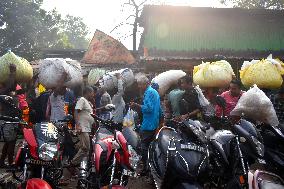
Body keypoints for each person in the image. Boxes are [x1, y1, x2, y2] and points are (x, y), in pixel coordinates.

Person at [130, 75, 161, 175]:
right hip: (154, 123)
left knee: (144, 146)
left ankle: (145, 167)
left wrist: (136, 105)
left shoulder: (148, 92)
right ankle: (150, 167)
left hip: (148, 124)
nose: (139, 86)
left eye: (140, 84)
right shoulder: (155, 92)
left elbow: (148, 108)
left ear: (145, 84)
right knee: (151, 146)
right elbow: (159, 109)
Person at [70, 86, 95, 166]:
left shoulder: (87, 102)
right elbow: (76, 111)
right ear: (87, 92)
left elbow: (89, 113)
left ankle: (71, 155)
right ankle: (72, 164)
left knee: (81, 146)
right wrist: (78, 125)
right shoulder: (82, 100)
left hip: (86, 128)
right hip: (82, 127)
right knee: (85, 148)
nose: (93, 94)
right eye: (92, 92)